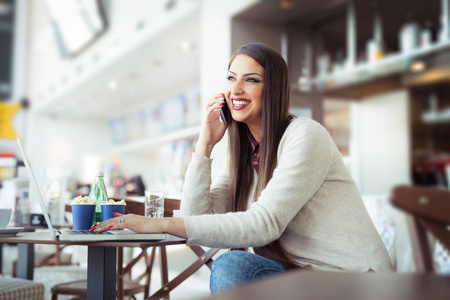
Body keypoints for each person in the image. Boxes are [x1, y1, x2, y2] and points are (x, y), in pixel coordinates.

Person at [93, 43, 392, 293]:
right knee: (233, 264)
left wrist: (161, 223)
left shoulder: (305, 135)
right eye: (231, 78)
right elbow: (197, 220)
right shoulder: (244, 156)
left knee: (232, 265)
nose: (236, 89)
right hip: (303, 277)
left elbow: (264, 224)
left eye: (251, 80)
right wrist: (204, 146)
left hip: (354, 280)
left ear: (272, 89)